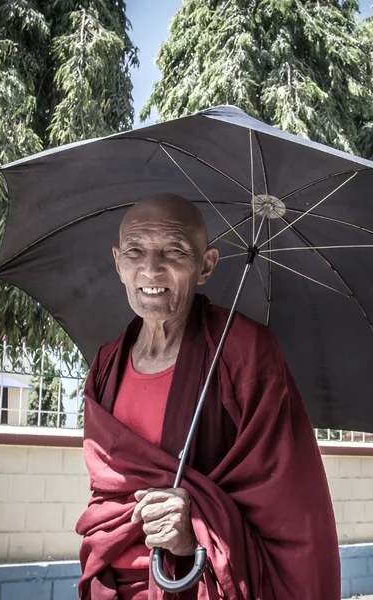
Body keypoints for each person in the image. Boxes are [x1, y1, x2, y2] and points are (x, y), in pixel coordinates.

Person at [76, 194, 340, 599]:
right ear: (117, 262)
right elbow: (106, 499)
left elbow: (287, 503)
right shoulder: (106, 363)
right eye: (135, 250)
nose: (151, 267)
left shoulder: (245, 351)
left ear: (207, 265)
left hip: (197, 582)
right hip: (114, 583)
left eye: (174, 250)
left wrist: (199, 527)